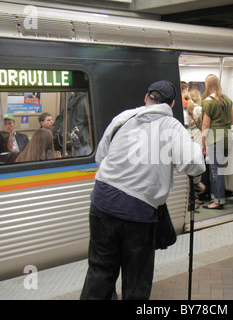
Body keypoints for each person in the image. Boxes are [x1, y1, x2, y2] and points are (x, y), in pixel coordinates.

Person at [79, 80, 205, 300]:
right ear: (173, 104)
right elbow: (193, 163)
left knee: (100, 272)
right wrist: (197, 178)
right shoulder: (172, 126)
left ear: (147, 97)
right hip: (137, 213)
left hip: (101, 202)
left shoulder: (124, 117)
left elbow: (101, 157)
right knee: (136, 280)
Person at [201, 74, 233, 210]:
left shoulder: (208, 101)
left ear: (207, 85)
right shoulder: (226, 99)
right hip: (226, 136)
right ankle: (214, 197)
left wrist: (202, 143)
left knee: (216, 170)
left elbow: (205, 125)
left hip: (215, 138)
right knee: (218, 169)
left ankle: (219, 201)